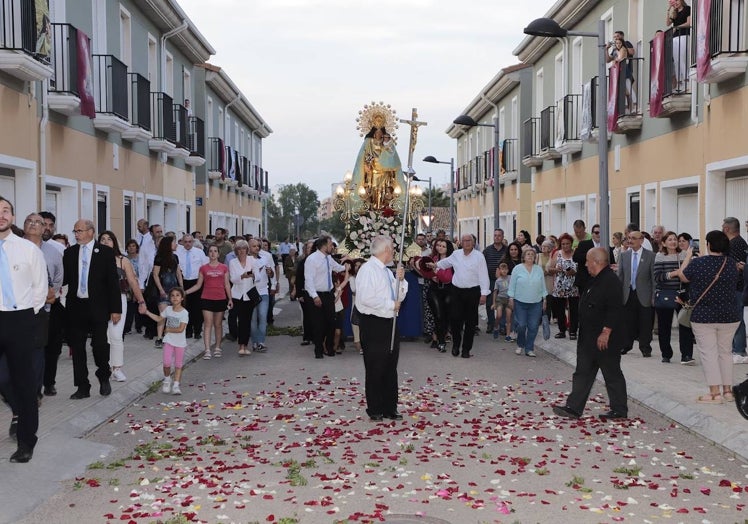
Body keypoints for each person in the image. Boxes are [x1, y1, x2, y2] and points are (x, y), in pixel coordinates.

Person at [552, 247, 629, 420]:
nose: (585, 265)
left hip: (604, 338)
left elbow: (614, 309)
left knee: (611, 373)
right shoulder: (595, 279)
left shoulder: (610, 281)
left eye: (587, 261)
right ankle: (573, 407)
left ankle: (619, 410)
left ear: (597, 262)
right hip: (589, 337)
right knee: (583, 372)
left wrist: (606, 332)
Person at [0, 200, 47, 463]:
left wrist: (26, 315)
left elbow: (40, 289)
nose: (1, 216)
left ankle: (26, 442)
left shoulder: (28, 249)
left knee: (25, 383)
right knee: (4, 379)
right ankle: (18, 410)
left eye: (5, 211)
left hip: (21, 319)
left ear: (13, 216)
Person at [679, 230, 740, 403]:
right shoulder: (732, 264)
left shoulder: (699, 263)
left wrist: (688, 256)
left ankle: (714, 393)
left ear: (709, 244)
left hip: (704, 316)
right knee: (725, 353)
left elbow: (683, 276)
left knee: (709, 354)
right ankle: (728, 391)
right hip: (729, 316)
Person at [64, 219, 122, 400]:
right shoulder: (70, 253)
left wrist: (115, 309)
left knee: (99, 345)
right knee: (78, 347)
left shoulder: (104, 253)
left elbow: (113, 283)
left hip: (98, 307)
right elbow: (66, 279)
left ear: (91, 231)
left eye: (80, 231)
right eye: (75, 231)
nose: (76, 234)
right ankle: (82, 386)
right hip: (76, 307)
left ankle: (103, 375)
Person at [355, 235, 408, 422]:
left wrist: (401, 281)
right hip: (374, 323)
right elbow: (365, 299)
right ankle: (375, 408)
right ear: (385, 250)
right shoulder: (368, 270)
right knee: (376, 366)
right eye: (392, 248)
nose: (394, 251)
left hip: (390, 323)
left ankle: (390, 407)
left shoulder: (386, 271)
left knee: (390, 366)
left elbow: (399, 295)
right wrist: (390, 304)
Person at [22, 214, 62, 399]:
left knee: (41, 351)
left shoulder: (53, 252)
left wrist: (48, 294)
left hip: (42, 311)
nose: (34, 225)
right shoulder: (12, 247)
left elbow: (56, 283)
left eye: (38, 223)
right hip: (14, 311)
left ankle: (38, 389)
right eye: (30, 221)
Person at [98, 231, 146, 382]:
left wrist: (141, 301)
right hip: (99, 301)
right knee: (103, 337)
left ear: (114, 242)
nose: (105, 241)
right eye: (102, 239)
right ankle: (105, 367)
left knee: (116, 335)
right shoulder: (94, 259)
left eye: (109, 239)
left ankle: (117, 368)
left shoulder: (122, 260)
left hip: (119, 299)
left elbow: (132, 282)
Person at [434, 233, 490, 359]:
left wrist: (484, 293)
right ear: (461, 243)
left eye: (469, 240)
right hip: (456, 291)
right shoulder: (456, 254)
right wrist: (435, 265)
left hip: (473, 292)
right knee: (455, 319)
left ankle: (466, 349)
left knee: (470, 322)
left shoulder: (479, 256)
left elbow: (483, 275)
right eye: (464, 241)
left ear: (473, 242)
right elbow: (446, 263)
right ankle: (456, 345)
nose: (467, 243)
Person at [185, 245, 232, 360]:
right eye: (210, 251)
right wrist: (185, 292)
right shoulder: (203, 268)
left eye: (215, 251)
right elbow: (198, 285)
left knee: (218, 325)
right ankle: (207, 349)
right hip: (206, 298)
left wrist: (230, 298)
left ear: (218, 254)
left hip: (220, 298)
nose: (213, 253)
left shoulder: (224, 267)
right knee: (207, 324)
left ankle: (217, 347)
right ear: (208, 254)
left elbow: (227, 284)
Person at [653, 231, 693, 364]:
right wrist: (674, 273)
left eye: (675, 239)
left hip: (682, 293)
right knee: (664, 326)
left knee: (685, 324)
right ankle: (666, 354)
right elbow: (658, 277)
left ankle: (686, 355)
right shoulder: (660, 256)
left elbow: (689, 275)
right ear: (664, 242)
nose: (673, 242)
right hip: (665, 293)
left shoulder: (684, 255)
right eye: (669, 239)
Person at [304, 235, 347, 358]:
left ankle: (329, 348)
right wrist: (314, 296)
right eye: (330, 245)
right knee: (318, 324)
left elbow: (338, 268)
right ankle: (318, 350)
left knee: (331, 323)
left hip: (328, 294)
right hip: (316, 295)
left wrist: (348, 264)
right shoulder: (312, 259)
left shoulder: (328, 258)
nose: (332, 247)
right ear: (324, 246)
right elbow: (309, 280)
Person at [142, 287, 189, 395]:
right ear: (169, 298)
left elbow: (181, 329)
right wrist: (147, 312)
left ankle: (176, 385)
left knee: (178, 364)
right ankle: (167, 379)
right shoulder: (168, 309)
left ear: (182, 298)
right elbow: (159, 319)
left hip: (180, 343)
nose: (175, 297)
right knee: (166, 363)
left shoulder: (184, 313)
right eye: (172, 295)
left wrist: (168, 329)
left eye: (177, 295)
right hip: (168, 340)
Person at [617, 230, 656, 357]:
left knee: (645, 322)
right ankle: (626, 345)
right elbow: (620, 276)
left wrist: (653, 295)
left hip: (644, 294)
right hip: (628, 293)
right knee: (628, 322)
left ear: (641, 240)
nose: (630, 241)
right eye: (629, 238)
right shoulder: (624, 256)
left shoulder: (650, 256)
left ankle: (645, 348)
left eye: (633, 238)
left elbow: (653, 278)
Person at [508, 249, 548, 357]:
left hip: (536, 302)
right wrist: (511, 297)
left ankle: (529, 348)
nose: (530, 256)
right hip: (520, 301)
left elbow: (543, 284)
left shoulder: (538, 269)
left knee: (533, 326)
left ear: (535, 257)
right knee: (521, 325)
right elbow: (512, 284)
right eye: (528, 254)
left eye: (532, 254)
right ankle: (520, 344)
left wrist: (544, 299)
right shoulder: (517, 268)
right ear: (524, 257)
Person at [721, 217, 748, 363]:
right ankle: (736, 349)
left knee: (736, 319)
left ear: (726, 229)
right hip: (738, 287)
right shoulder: (741, 242)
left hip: (736, 288)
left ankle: (739, 351)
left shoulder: (734, 244)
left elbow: (735, 267)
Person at [152, 236, 184, 349]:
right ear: (168, 245)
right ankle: (159, 338)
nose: (176, 245)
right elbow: (155, 274)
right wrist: (160, 289)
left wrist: (181, 287)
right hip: (163, 289)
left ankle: (169, 337)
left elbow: (178, 273)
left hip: (174, 289)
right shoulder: (159, 258)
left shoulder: (175, 257)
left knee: (173, 315)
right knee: (163, 315)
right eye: (174, 243)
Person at [229, 239, 257, 356]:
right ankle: (240, 345)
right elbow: (233, 279)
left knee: (246, 321)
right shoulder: (233, 262)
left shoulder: (252, 260)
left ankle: (245, 345)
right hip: (237, 295)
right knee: (238, 320)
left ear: (247, 250)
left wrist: (254, 275)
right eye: (239, 249)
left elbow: (257, 276)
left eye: (244, 249)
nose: (242, 251)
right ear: (236, 250)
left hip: (249, 295)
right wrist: (242, 276)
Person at [549, 233, 579, 340]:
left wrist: (573, 272)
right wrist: (557, 270)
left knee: (574, 309)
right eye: (563, 244)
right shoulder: (557, 253)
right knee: (560, 309)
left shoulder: (576, 253)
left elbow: (581, 268)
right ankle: (562, 330)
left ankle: (573, 331)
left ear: (571, 244)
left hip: (573, 285)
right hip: (560, 285)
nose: (565, 246)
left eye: (567, 244)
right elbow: (550, 268)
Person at [427, 238, 454, 352]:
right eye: (438, 245)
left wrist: (436, 271)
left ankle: (441, 337)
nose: (440, 248)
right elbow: (426, 272)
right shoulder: (433, 258)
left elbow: (447, 278)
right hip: (434, 290)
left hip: (448, 290)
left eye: (443, 246)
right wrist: (431, 275)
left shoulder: (451, 261)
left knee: (446, 316)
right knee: (438, 315)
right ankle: (441, 341)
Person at [250, 238, 275, 352]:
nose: (256, 248)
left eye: (258, 246)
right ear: (249, 247)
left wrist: (270, 273)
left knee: (263, 317)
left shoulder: (265, 258)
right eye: (254, 246)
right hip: (251, 292)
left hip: (264, 291)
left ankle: (261, 341)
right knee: (253, 319)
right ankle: (254, 342)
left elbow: (271, 274)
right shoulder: (246, 260)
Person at [483, 228, 507, 335]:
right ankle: (491, 324)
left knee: (502, 302)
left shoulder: (507, 250)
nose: (497, 237)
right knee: (489, 303)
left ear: (502, 237)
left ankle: (502, 325)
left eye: (499, 235)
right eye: (495, 235)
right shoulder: (487, 250)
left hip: (503, 281)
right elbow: (482, 265)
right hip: (490, 280)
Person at [667, 0, 691, 92]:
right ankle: (680, 82)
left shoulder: (687, 9)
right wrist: (669, 9)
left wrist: (677, 27)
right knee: (676, 60)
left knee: (681, 58)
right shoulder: (675, 12)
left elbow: (689, 23)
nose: (675, 3)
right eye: (674, 1)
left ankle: (686, 80)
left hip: (684, 35)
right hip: (675, 37)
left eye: (677, 0)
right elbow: (668, 23)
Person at [122, 239, 142, 335]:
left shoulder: (140, 258)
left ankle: (139, 326)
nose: (131, 248)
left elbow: (142, 271)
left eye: (133, 246)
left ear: (136, 247)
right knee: (129, 306)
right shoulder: (124, 259)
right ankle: (127, 327)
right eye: (129, 246)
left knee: (138, 304)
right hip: (128, 285)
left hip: (139, 283)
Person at [491, 263, 513, 342]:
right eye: (502, 269)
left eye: (505, 269)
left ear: (508, 270)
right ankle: (496, 327)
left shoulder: (510, 278)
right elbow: (495, 292)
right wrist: (494, 303)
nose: (504, 271)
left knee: (508, 318)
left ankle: (508, 336)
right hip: (500, 299)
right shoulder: (498, 280)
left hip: (508, 299)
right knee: (499, 315)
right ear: (499, 270)